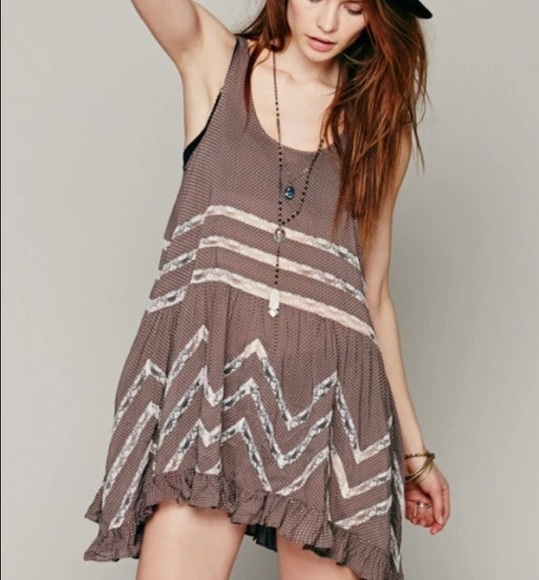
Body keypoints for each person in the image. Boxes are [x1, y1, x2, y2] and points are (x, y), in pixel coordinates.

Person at [83, 1, 451, 578]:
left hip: (333, 416)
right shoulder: (217, 63)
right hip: (211, 396)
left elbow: (374, 296)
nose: (327, 23)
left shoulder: (381, 124)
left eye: (354, 6)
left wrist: (414, 453)